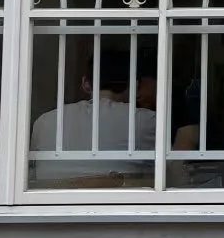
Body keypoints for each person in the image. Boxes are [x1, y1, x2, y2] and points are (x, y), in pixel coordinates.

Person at [30, 45, 157, 187]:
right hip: (118, 201)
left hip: (50, 201)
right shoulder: (147, 121)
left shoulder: (44, 122)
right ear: (136, 85)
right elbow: (169, 177)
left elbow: (31, 175)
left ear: (86, 83)